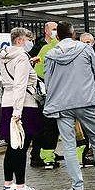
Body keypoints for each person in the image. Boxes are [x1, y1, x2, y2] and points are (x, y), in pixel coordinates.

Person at [44, 22, 95, 190]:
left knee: (69, 145)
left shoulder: (51, 55)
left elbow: (48, 81)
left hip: (62, 104)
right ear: (73, 34)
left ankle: (77, 187)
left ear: (57, 36)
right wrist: (92, 91)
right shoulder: (86, 49)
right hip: (85, 100)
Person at [0, 27, 42, 190]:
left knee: (12, 145)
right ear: (19, 40)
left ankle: (8, 184)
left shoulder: (5, 56)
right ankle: (21, 186)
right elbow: (20, 84)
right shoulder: (22, 57)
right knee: (21, 146)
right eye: (28, 39)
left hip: (7, 102)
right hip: (24, 105)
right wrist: (18, 112)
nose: (31, 42)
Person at [29, 21, 60, 169]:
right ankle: (37, 155)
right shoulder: (40, 46)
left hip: (50, 90)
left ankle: (47, 152)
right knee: (44, 125)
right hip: (42, 91)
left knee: (50, 126)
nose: (55, 31)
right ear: (46, 31)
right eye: (53, 29)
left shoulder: (54, 45)